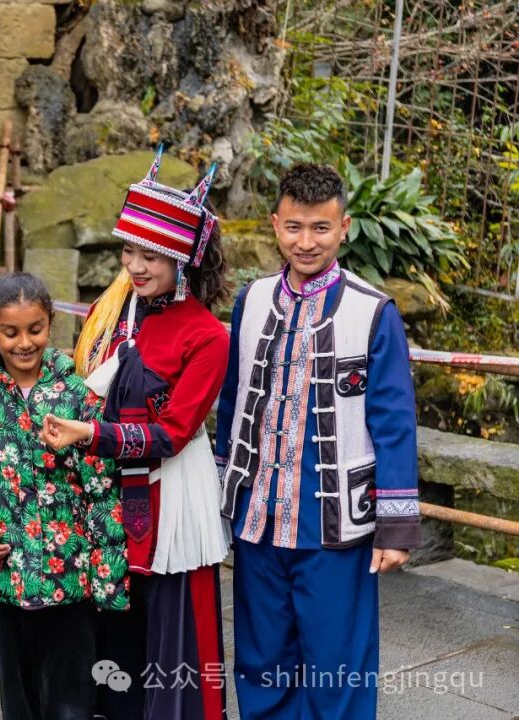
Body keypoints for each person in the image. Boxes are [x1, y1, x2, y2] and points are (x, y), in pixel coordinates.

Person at [214, 163, 422, 720]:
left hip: (334, 526)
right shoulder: (252, 300)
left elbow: (394, 424)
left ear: (344, 227)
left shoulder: (372, 311)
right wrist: (221, 495)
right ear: (275, 225)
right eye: (294, 227)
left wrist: (395, 526)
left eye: (321, 228)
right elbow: (233, 401)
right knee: (262, 658)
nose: (306, 242)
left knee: (338, 664)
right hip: (258, 520)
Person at [41, 147, 231, 719]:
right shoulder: (127, 314)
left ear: (184, 258)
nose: (136, 266)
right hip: (116, 493)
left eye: (152, 255)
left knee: (175, 628)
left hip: (174, 496)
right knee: (120, 636)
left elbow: (172, 434)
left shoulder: (208, 336)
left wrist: (89, 434)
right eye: (129, 251)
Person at [0, 271, 127, 720]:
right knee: (19, 699)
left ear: (51, 323)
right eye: (10, 332)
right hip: (7, 577)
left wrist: (109, 576)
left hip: (70, 576)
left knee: (72, 699)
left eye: (35, 329)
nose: (24, 343)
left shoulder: (78, 393)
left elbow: (101, 487)